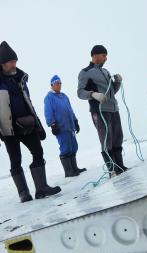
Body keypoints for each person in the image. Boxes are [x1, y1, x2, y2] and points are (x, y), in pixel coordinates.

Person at [0, 41, 61, 202]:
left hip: (27, 125)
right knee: (15, 160)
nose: (14, 65)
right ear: (3, 63)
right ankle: (23, 193)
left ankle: (41, 188)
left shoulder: (21, 79)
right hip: (8, 129)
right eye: (10, 62)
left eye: (15, 62)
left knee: (38, 152)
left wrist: (39, 125)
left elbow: (29, 102)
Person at [77, 45, 128, 175]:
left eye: (106, 55)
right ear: (95, 55)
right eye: (103, 55)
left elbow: (111, 92)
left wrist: (117, 83)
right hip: (99, 111)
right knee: (107, 139)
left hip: (113, 109)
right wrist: (93, 94)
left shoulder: (106, 72)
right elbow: (80, 92)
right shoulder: (85, 72)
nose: (106, 58)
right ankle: (112, 170)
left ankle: (120, 166)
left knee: (118, 137)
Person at [44, 75, 86, 177]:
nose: (59, 85)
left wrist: (75, 121)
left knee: (73, 146)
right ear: (52, 85)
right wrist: (52, 124)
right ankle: (68, 171)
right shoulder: (49, 97)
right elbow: (48, 112)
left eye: (60, 83)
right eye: (56, 83)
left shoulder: (64, 96)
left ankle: (74, 168)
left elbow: (70, 110)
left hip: (70, 125)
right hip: (61, 127)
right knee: (65, 147)